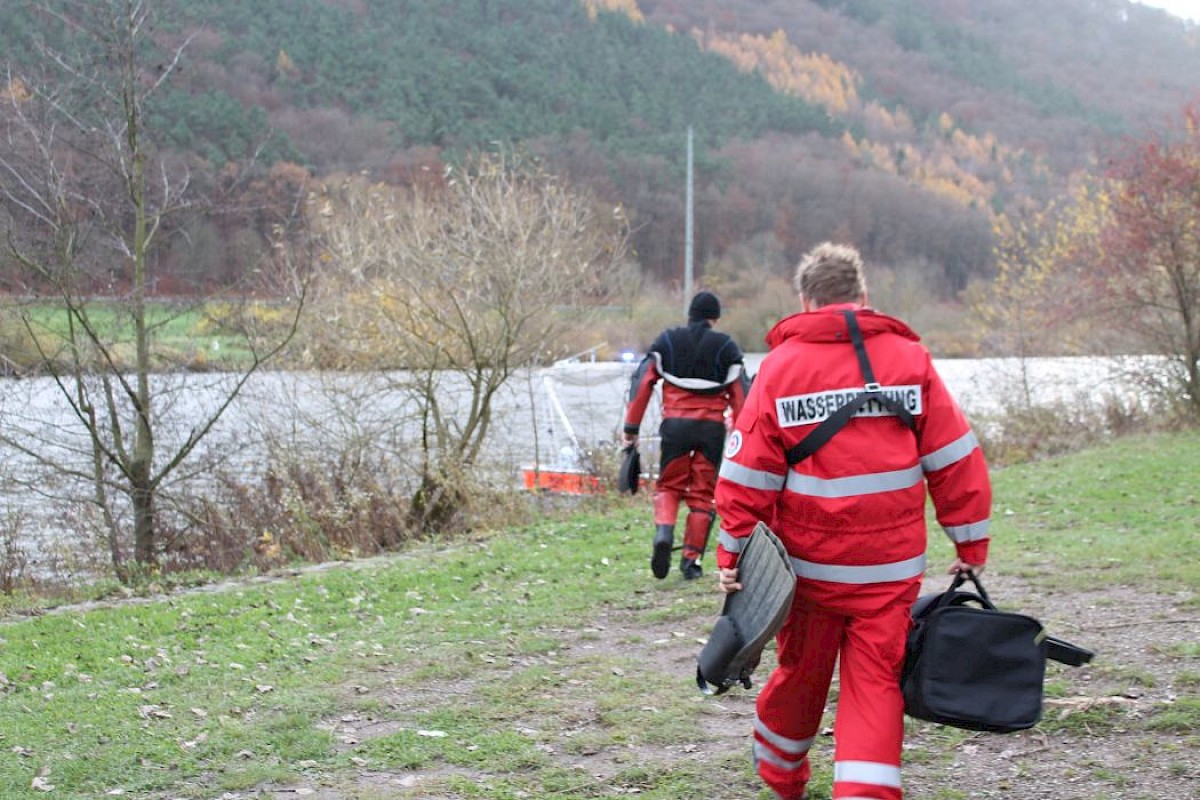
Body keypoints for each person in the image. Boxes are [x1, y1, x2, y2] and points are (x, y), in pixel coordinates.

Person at [713, 243, 992, 800]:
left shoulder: (781, 369)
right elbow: (957, 459)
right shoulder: (911, 361)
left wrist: (733, 559)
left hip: (808, 572)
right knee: (874, 685)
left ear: (806, 301)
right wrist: (970, 543)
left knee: (801, 674)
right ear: (863, 297)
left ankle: (781, 773)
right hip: (889, 572)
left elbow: (745, 479)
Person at [623, 290, 750, 580]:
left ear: (690, 315)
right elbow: (741, 394)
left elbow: (642, 383)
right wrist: (745, 439)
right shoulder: (725, 346)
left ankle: (664, 532)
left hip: (675, 427)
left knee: (669, 486)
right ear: (715, 318)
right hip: (711, 430)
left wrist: (631, 429)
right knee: (703, 495)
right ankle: (690, 562)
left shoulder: (668, 341)